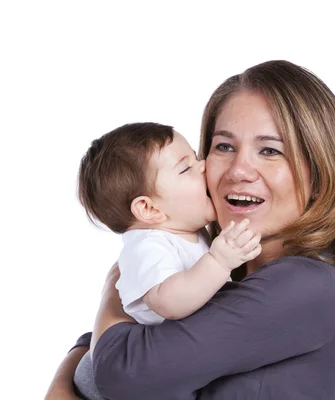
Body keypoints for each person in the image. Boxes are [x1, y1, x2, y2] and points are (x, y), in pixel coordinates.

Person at [45, 60, 335, 400]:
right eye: (224, 146)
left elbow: (122, 374)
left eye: (270, 151)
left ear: (321, 173)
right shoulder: (227, 273)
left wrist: (111, 296)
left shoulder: (306, 284)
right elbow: (137, 344)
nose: (238, 171)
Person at [77, 122, 261, 326]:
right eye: (186, 168)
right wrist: (219, 262)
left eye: (196, 157)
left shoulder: (187, 232)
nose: (204, 166)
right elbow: (168, 303)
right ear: (149, 209)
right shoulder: (147, 246)